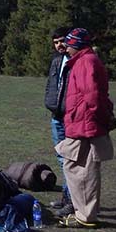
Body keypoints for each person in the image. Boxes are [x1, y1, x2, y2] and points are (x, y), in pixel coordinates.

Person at [55, 27, 114, 229]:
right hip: (81, 122)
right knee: (75, 166)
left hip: (85, 124)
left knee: (83, 169)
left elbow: (92, 97)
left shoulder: (86, 62)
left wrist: (103, 119)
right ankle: (83, 212)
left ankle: (86, 216)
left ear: (77, 45)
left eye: (69, 44)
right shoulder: (84, 61)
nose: (66, 48)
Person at [43, 27, 72, 216]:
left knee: (71, 161)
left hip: (71, 117)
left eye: (62, 41)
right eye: (55, 42)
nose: (59, 45)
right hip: (56, 116)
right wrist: (49, 102)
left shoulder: (77, 62)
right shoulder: (56, 61)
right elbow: (51, 86)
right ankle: (66, 198)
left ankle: (72, 200)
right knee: (61, 159)